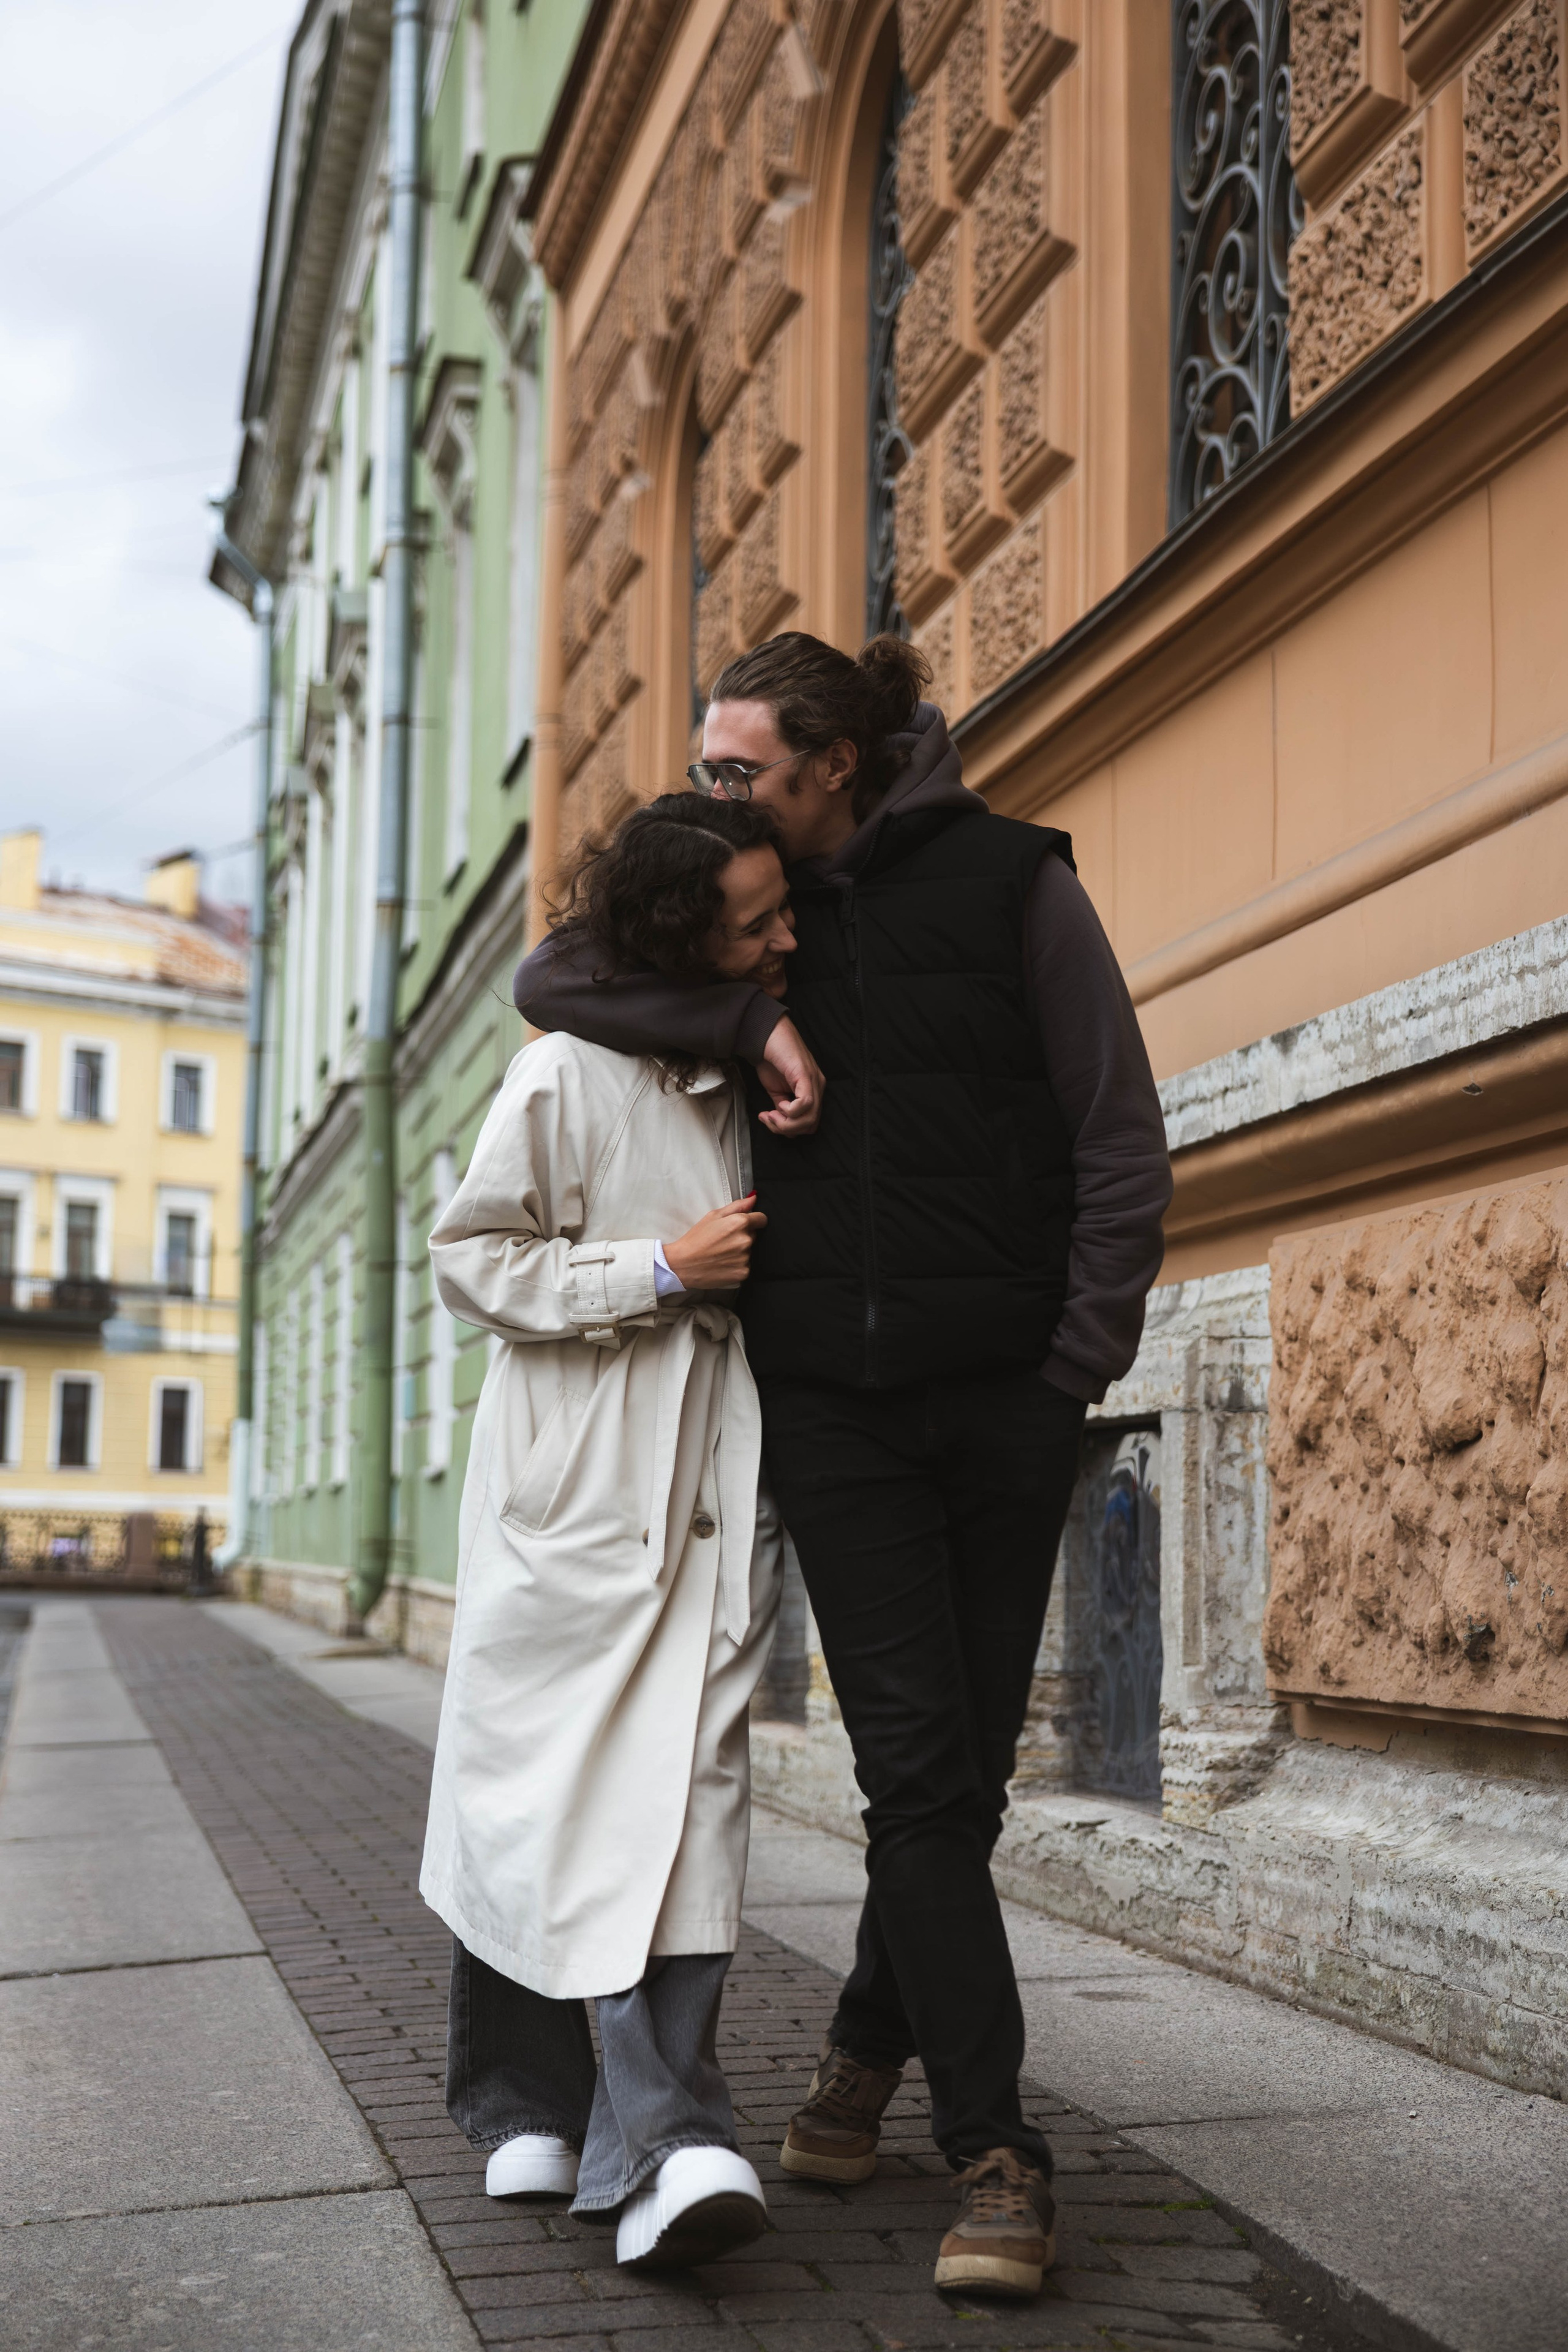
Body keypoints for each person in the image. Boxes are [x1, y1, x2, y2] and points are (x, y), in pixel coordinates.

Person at [513, 631, 1174, 2302]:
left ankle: (865, 2053)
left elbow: (1117, 1131)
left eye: (743, 765)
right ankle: (1000, 2156)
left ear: (839, 763)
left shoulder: (1020, 884)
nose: (717, 786)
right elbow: (553, 981)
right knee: (916, 1774)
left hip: (1013, 1398)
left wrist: (1073, 1362)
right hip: (839, 1411)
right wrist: (748, 1008)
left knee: (961, 1784)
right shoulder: (736, 906)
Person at [420, 793, 800, 2271]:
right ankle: (536, 2098)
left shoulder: (759, 1069)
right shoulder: (562, 1077)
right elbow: (471, 1265)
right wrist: (655, 1266)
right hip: (571, 1485)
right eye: (754, 919)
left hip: (709, 1490)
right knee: (534, 1789)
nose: (783, 936)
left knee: (686, 1803)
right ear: (673, 934)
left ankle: (665, 2138)